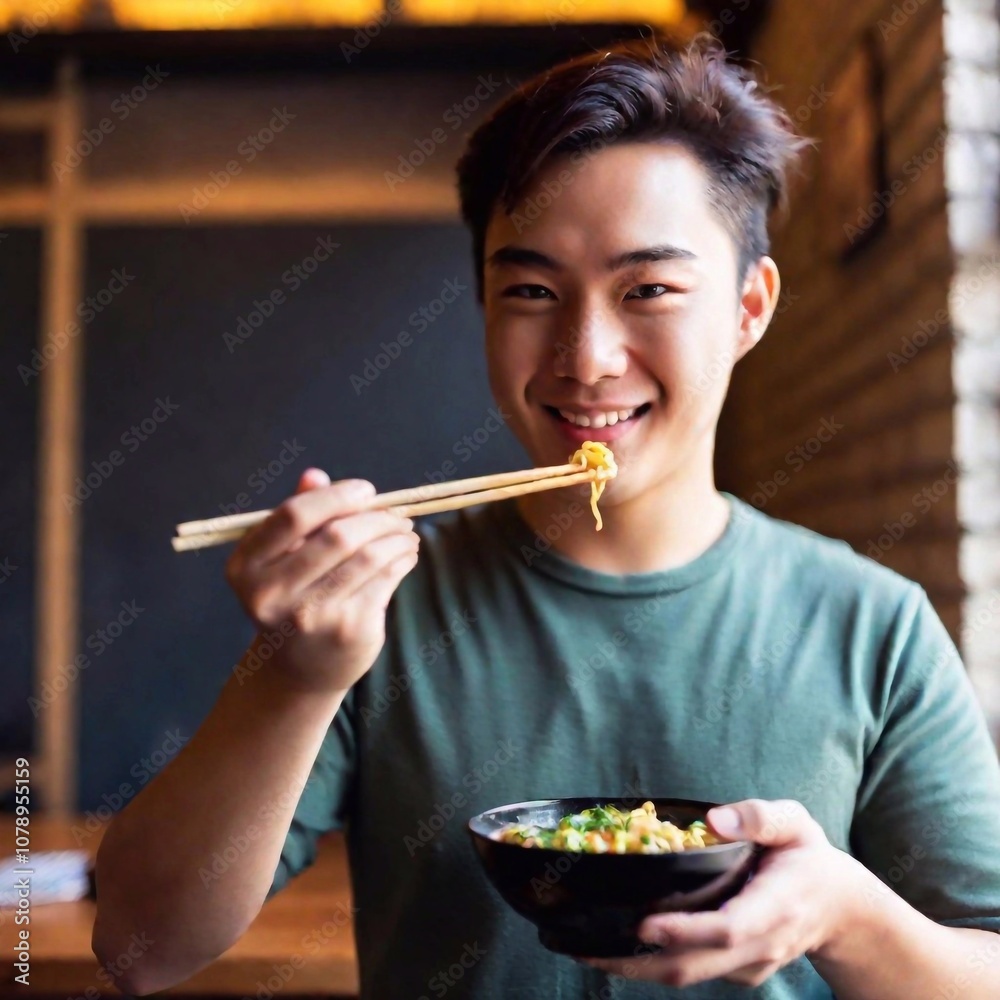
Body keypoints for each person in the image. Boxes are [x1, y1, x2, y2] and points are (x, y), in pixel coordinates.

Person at [92, 34, 1000, 999]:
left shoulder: (875, 626)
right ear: (483, 301)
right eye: (531, 291)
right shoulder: (379, 606)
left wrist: (845, 916)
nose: (586, 354)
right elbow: (140, 949)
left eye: (647, 289)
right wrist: (290, 680)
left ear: (748, 307)